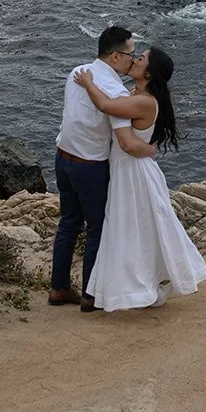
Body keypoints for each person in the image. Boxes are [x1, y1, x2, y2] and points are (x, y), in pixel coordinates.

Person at [73, 45, 206, 312]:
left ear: (149, 73)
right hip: (132, 169)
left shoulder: (144, 101)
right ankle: (142, 286)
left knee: (132, 229)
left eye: (142, 58)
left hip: (133, 173)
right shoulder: (137, 95)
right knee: (140, 228)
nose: (135, 60)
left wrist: (88, 82)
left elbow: (105, 106)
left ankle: (140, 287)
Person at [49, 25, 154, 310]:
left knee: (68, 224)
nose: (133, 61)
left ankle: (58, 288)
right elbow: (125, 141)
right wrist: (150, 149)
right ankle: (90, 295)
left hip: (63, 158)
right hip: (89, 167)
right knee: (97, 229)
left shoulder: (78, 72)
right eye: (131, 54)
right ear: (115, 56)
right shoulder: (116, 92)